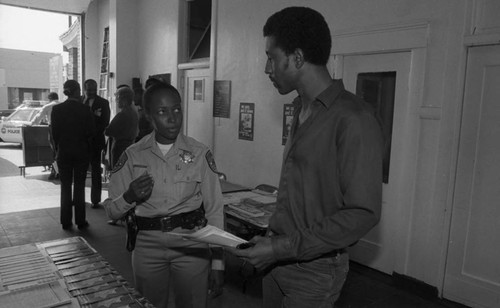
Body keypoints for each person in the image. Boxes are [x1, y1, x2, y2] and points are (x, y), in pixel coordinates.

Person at [228, 7, 384, 307]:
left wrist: (281, 248)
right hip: (277, 260)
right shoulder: (300, 109)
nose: (266, 68)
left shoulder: (354, 119)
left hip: (315, 271)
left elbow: (362, 213)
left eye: (271, 57)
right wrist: (271, 243)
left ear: (297, 58)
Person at [103, 82, 224, 308]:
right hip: (147, 245)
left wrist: (217, 262)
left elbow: (215, 210)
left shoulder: (200, 153)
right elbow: (110, 209)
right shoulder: (133, 155)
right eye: (162, 111)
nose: (172, 118)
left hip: (192, 244)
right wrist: (129, 197)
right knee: (149, 303)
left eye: (177, 109)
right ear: (148, 116)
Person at [50, 80, 95, 230]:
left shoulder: (57, 109)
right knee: (80, 186)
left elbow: (54, 133)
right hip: (81, 151)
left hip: (64, 152)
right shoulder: (85, 110)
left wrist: (58, 149)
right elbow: (91, 132)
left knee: (65, 187)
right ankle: (80, 220)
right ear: (77, 91)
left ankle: (65, 220)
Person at [83, 79, 111, 208]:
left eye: (94, 89)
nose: (92, 92)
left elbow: (105, 122)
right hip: (81, 142)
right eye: (89, 89)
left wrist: (92, 133)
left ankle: (95, 199)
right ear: (85, 89)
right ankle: (79, 198)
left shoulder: (103, 103)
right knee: (80, 171)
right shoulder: (79, 101)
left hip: (95, 141)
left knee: (95, 171)